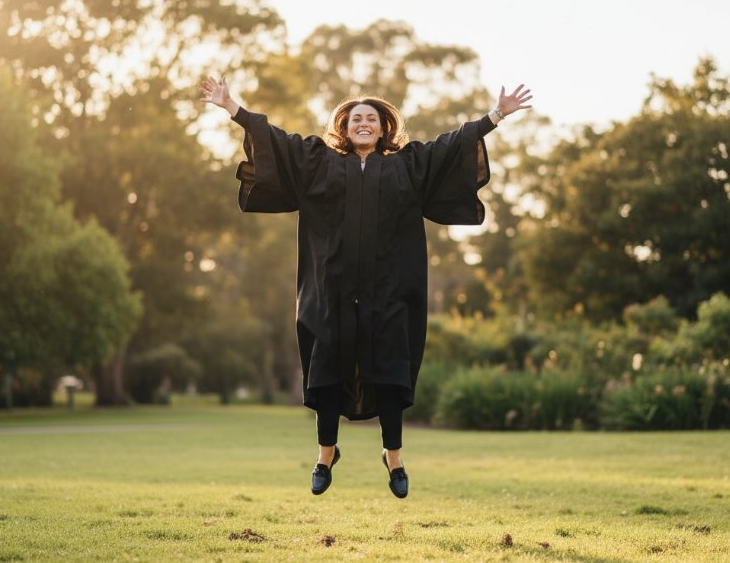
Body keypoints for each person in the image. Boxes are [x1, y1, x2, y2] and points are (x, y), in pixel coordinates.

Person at [201, 76, 532, 498]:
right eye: (356, 118)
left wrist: (497, 115)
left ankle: (393, 459)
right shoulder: (319, 161)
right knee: (325, 372)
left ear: (383, 128)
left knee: (391, 373)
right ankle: (325, 456)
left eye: (371, 119)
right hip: (331, 291)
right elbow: (276, 140)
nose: (363, 123)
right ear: (344, 126)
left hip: (389, 292)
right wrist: (233, 108)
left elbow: (451, 145)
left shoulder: (406, 165)